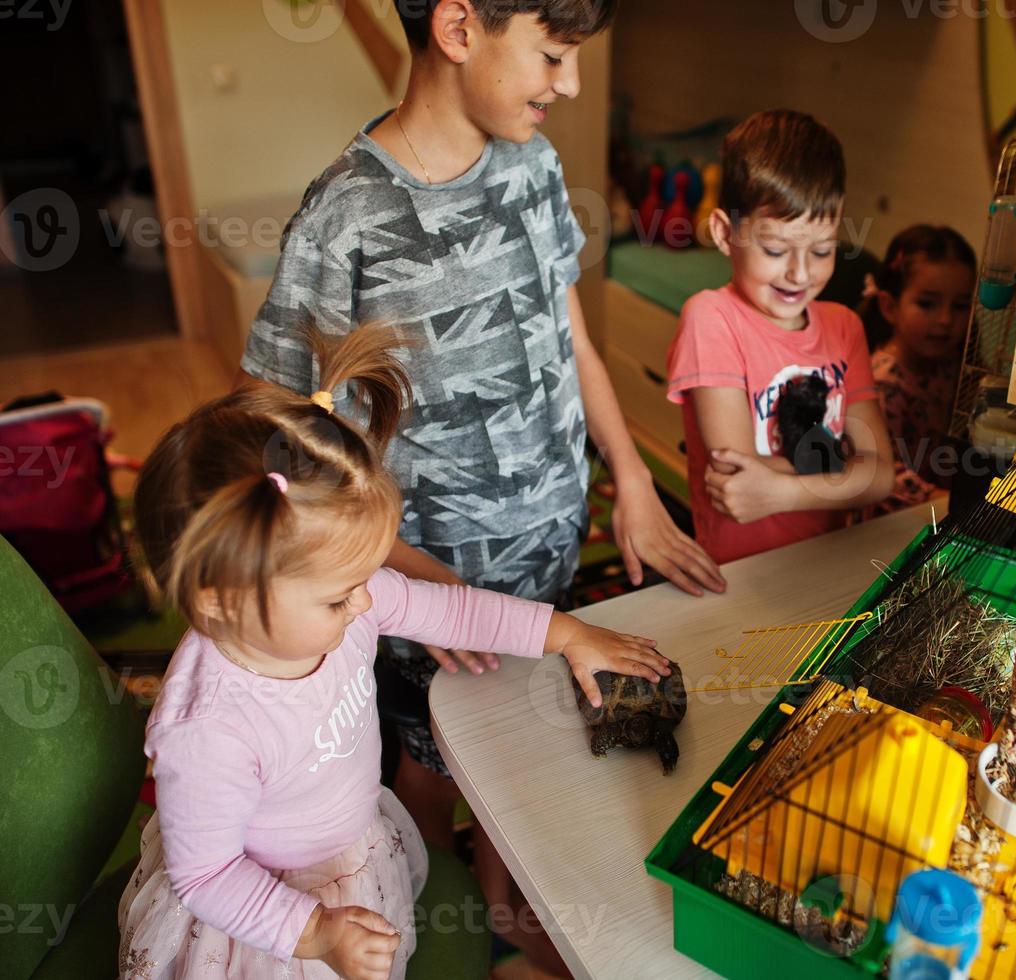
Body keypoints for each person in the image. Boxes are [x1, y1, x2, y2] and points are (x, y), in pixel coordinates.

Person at [238, 2, 724, 966]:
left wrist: (629, 478)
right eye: (552, 54)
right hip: (425, 581)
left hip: (547, 540)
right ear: (458, 28)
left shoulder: (535, 167)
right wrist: (413, 585)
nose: (570, 83)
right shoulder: (346, 216)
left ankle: (505, 893)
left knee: (522, 735)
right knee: (431, 757)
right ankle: (425, 905)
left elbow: (570, 336)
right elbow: (276, 432)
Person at [120, 325, 669, 980]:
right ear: (222, 601)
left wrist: (567, 634)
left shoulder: (342, 594)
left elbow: (455, 610)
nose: (365, 605)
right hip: (271, 916)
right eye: (338, 597)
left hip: (349, 843)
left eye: (365, 577)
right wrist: (314, 933)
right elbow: (207, 873)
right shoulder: (208, 730)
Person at [666, 109, 894, 564]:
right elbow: (735, 478)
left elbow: (881, 475)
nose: (800, 273)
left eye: (823, 250)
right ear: (724, 233)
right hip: (742, 574)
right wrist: (842, 470)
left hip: (829, 563)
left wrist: (782, 489)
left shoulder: (845, 326)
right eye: (775, 250)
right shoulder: (711, 318)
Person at [857, 225, 976, 514]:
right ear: (889, 307)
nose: (946, 319)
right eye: (927, 304)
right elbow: (883, 477)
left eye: (960, 306)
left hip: (938, 514)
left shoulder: (953, 367)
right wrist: (955, 502)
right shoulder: (879, 386)